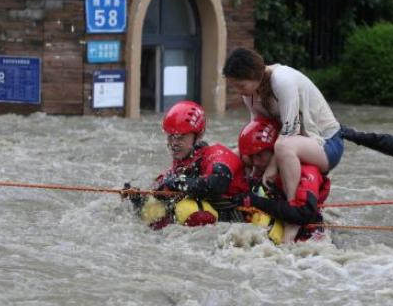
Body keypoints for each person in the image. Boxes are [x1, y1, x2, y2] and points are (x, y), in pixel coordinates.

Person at [222, 47, 343, 207]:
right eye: (234, 87)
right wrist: (246, 158)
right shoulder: (249, 94)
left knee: (283, 146)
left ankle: (292, 210)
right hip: (294, 143)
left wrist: (272, 168)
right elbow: (258, 131)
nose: (239, 91)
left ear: (253, 75)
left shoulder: (282, 80)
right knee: (238, 151)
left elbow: (290, 131)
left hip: (327, 144)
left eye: (241, 85)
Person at [122, 101, 249, 229]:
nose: (174, 143)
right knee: (155, 208)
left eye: (180, 137)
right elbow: (159, 193)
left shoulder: (217, 154)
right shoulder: (180, 164)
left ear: (198, 135)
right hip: (209, 217)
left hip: (236, 216)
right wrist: (138, 200)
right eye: (170, 137)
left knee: (190, 210)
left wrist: (179, 183)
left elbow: (218, 184)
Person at [232, 116, 331, 244]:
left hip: (308, 241)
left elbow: (303, 213)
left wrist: (253, 201)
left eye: (259, 155)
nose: (255, 162)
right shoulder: (259, 169)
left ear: (274, 151)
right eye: (251, 157)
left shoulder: (306, 171)